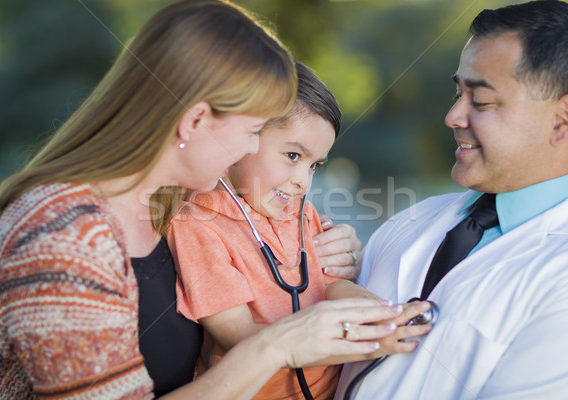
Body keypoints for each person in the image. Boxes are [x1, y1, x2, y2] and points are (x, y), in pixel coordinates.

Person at [0, 1, 412, 399]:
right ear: (196, 121)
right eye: (254, 130)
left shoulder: (174, 204)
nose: (251, 151)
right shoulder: (61, 238)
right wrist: (277, 346)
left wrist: (332, 263)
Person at [335, 1, 568, 399]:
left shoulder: (565, 273)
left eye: (480, 101)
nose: (452, 116)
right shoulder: (411, 221)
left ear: (563, 119)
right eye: (457, 93)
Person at [168, 60, 432, 400]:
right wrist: (366, 342)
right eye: (292, 155)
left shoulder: (299, 213)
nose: (302, 181)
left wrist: (384, 315)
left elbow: (331, 284)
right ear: (242, 139)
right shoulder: (197, 226)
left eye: (314, 165)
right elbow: (241, 337)